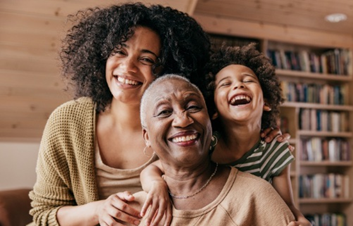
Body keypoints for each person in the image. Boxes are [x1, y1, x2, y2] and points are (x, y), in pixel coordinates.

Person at [28, 3, 287, 226]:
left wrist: (267, 134)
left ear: (166, 69)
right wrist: (99, 210)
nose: (127, 67)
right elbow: (42, 215)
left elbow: (238, 143)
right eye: (119, 51)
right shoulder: (67, 122)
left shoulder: (185, 130)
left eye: (146, 59)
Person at [140, 44, 311, 226]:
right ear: (213, 110)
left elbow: (287, 205)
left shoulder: (275, 149)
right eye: (226, 83)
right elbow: (153, 169)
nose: (238, 85)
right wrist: (156, 185)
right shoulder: (207, 144)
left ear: (266, 101)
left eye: (248, 80)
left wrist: (301, 220)